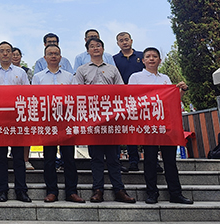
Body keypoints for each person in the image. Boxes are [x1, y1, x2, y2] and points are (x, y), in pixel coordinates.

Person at [73, 37, 135, 204]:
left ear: (103, 49)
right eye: (92, 46)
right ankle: (98, 190)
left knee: (114, 157)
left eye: (98, 46)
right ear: (88, 51)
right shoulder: (81, 70)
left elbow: (121, 90)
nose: (95, 48)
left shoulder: (112, 69)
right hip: (92, 119)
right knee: (96, 157)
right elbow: (78, 93)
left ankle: (119, 190)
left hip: (110, 118)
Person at [129, 47, 193, 205]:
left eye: (154, 56)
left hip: (166, 124)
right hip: (148, 125)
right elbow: (131, 99)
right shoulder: (136, 77)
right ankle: (152, 193)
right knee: (150, 160)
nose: (151, 59)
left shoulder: (165, 78)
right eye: (148, 56)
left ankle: (175, 193)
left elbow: (172, 100)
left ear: (159, 60)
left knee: (170, 160)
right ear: (143, 60)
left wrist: (181, 91)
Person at [32, 44, 84, 203]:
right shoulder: (38, 77)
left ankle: (71, 191)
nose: (53, 56)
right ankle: (51, 191)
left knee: (69, 158)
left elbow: (75, 98)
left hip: (66, 121)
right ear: (45, 58)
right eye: (50, 54)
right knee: (49, 158)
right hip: (47, 122)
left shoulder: (69, 77)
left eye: (56, 54)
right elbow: (34, 98)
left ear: (60, 57)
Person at [0, 41, 31, 203]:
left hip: (17, 119)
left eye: (8, 51)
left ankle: (21, 191)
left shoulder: (21, 72)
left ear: (12, 54)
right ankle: (2, 190)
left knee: (18, 157)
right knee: (1, 157)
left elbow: (27, 94)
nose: (5, 53)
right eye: (2, 51)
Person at [113, 32, 145, 172]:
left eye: (126, 39)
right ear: (118, 44)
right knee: (129, 130)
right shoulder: (114, 59)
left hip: (142, 98)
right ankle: (133, 160)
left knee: (145, 129)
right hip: (123, 99)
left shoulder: (142, 56)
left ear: (131, 40)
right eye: (121, 40)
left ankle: (153, 161)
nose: (124, 42)